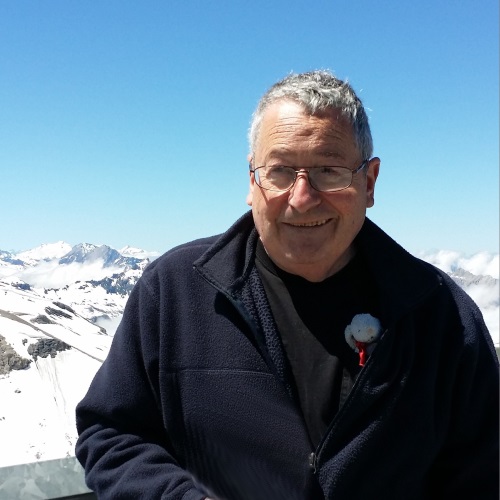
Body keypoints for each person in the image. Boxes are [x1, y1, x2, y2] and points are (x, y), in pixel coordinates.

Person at [75, 70, 499, 499]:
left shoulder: (441, 314)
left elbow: (483, 471)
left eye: (329, 170)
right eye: (279, 171)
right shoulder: (174, 292)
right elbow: (111, 431)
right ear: (252, 181)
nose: (301, 197)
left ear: (368, 183)